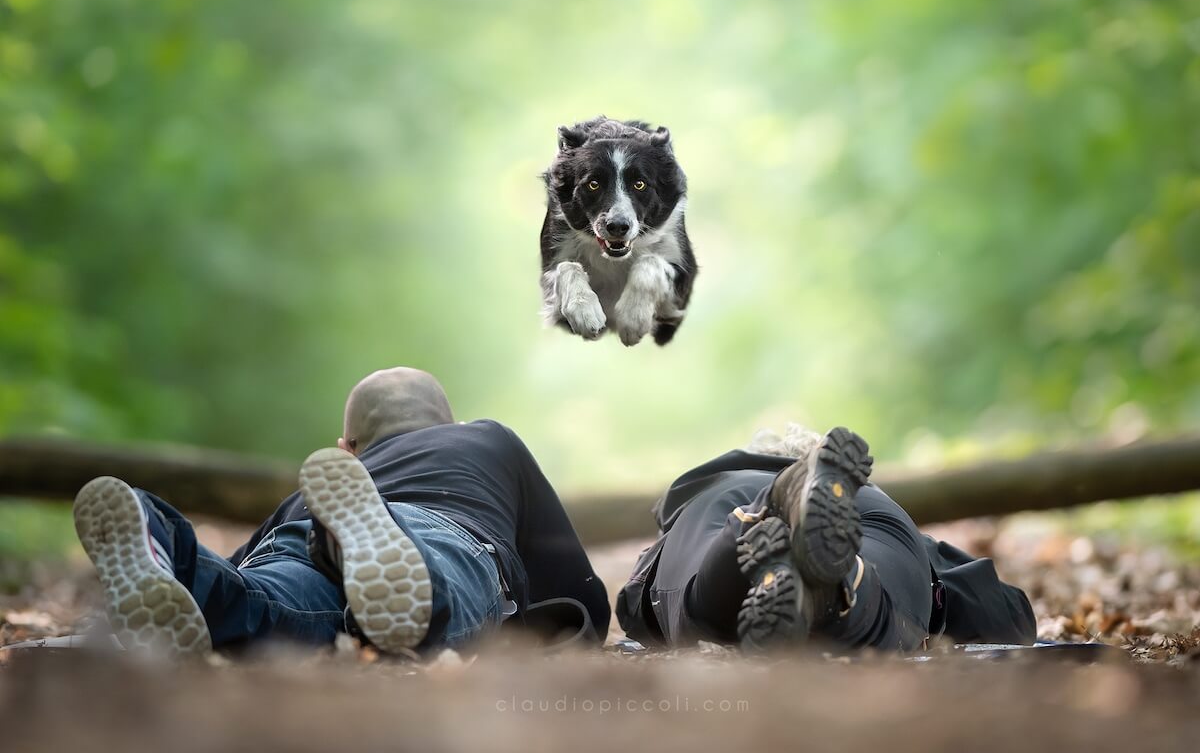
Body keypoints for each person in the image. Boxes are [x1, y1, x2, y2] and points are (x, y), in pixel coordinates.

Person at [72, 367, 609, 656]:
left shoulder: (306, 498)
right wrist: (584, 619)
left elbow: (243, 563)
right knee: (436, 581)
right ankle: (391, 560)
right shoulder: (488, 440)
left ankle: (158, 537)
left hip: (309, 533)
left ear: (348, 449)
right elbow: (569, 576)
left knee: (258, 598)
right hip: (445, 534)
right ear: (451, 422)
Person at [617, 425, 1036, 652]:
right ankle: (843, 586)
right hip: (873, 512)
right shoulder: (863, 495)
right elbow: (1007, 612)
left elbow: (636, 608)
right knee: (883, 608)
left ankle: (760, 524)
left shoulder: (707, 485)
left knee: (696, 603)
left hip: (721, 502)